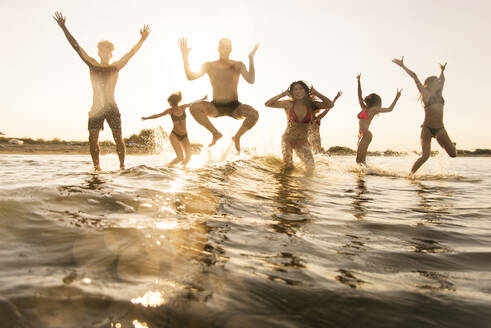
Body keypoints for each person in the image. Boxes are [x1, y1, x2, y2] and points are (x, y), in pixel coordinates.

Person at [53, 11, 150, 171]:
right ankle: (97, 167)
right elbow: (77, 47)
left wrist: (142, 39)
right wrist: (64, 27)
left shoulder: (116, 66)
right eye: (102, 51)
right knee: (92, 138)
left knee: (118, 138)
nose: (105, 53)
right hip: (96, 108)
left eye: (108, 51)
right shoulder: (92, 64)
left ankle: (122, 166)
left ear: (111, 54)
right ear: (99, 52)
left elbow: (130, 54)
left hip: (112, 106)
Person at [178, 38, 259, 152]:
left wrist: (251, 59)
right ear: (218, 49)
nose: (225, 50)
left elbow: (251, 80)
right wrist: (185, 56)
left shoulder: (238, 65)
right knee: (194, 107)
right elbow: (190, 77)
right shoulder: (209, 65)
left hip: (235, 106)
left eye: (227, 48)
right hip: (215, 106)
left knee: (254, 114)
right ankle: (215, 133)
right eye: (222, 47)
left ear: (231, 50)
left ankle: (237, 137)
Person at [392, 57, 457, 174]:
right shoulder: (426, 94)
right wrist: (403, 66)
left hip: (440, 129)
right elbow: (414, 76)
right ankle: (410, 175)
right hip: (427, 128)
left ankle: (449, 144)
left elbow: (443, 80)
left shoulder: (439, 94)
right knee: (425, 156)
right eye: (436, 82)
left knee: (453, 154)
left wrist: (442, 71)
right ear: (431, 84)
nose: (439, 83)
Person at [265, 81, 335, 175]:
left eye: (300, 88)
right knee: (288, 168)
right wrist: (283, 94)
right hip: (288, 140)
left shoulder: (312, 105)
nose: (298, 91)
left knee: (311, 168)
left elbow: (330, 105)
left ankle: (303, 189)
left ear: (306, 91)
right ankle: (284, 187)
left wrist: (316, 92)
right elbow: (268, 104)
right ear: (292, 92)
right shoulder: (288, 104)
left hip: (302, 142)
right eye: (295, 89)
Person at [142, 92, 206, 166]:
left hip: (185, 136)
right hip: (174, 135)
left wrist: (203, 99)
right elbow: (158, 115)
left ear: (174, 102)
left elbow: (194, 103)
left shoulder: (183, 107)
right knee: (180, 157)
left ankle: (183, 171)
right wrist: (147, 118)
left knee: (188, 158)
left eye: (170, 103)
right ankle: (167, 167)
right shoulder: (170, 111)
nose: (169, 104)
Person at [356, 73, 402, 165]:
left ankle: (363, 177)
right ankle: (363, 176)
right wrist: (359, 82)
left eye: (369, 95)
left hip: (366, 135)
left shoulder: (374, 109)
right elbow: (359, 95)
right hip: (362, 134)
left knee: (359, 160)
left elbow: (389, 109)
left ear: (372, 100)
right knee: (360, 161)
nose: (366, 96)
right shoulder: (364, 108)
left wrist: (396, 98)